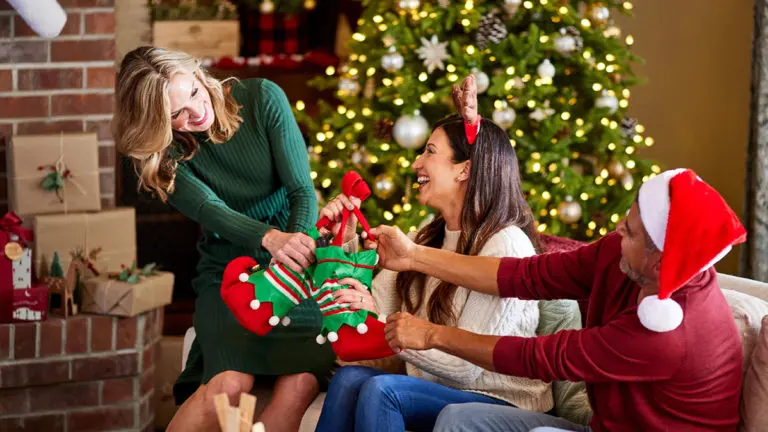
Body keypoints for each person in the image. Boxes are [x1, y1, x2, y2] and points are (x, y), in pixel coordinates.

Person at [365, 168, 746, 431]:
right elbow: (526, 275)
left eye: (629, 231)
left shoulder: (669, 335)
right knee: (456, 420)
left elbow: (541, 357)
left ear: (661, 260)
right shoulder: (620, 257)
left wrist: (433, 335)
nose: (616, 231)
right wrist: (413, 255)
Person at [313, 75, 554, 432]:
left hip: (500, 400)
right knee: (350, 380)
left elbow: (468, 368)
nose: (415, 164)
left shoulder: (505, 244)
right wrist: (343, 246)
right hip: (435, 390)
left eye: (429, 152)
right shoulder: (423, 238)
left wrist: (383, 325)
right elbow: (372, 314)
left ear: (465, 169)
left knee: (383, 390)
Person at [113, 46, 334, 432]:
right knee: (230, 385)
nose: (196, 113)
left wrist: (294, 251)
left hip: (296, 260)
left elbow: (301, 191)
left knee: (300, 383)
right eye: (176, 114)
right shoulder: (163, 155)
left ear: (200, 75)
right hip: (229, 269)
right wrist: (269, 240)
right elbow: (214, 213)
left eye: (194, 94)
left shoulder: (262, 97)